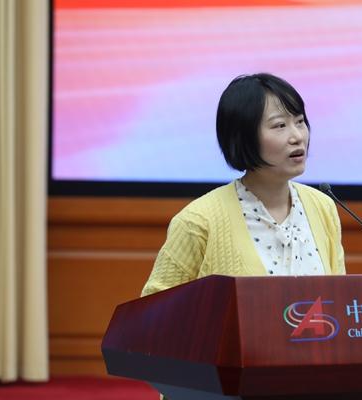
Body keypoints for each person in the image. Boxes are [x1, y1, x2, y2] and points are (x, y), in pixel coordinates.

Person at [141, 73, 345, 297]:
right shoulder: (198, 221)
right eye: (279, 125)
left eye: (299, 122)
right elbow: (156, 308)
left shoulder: (322, 207)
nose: (297, 136)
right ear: (244, 136)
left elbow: (338, 299)